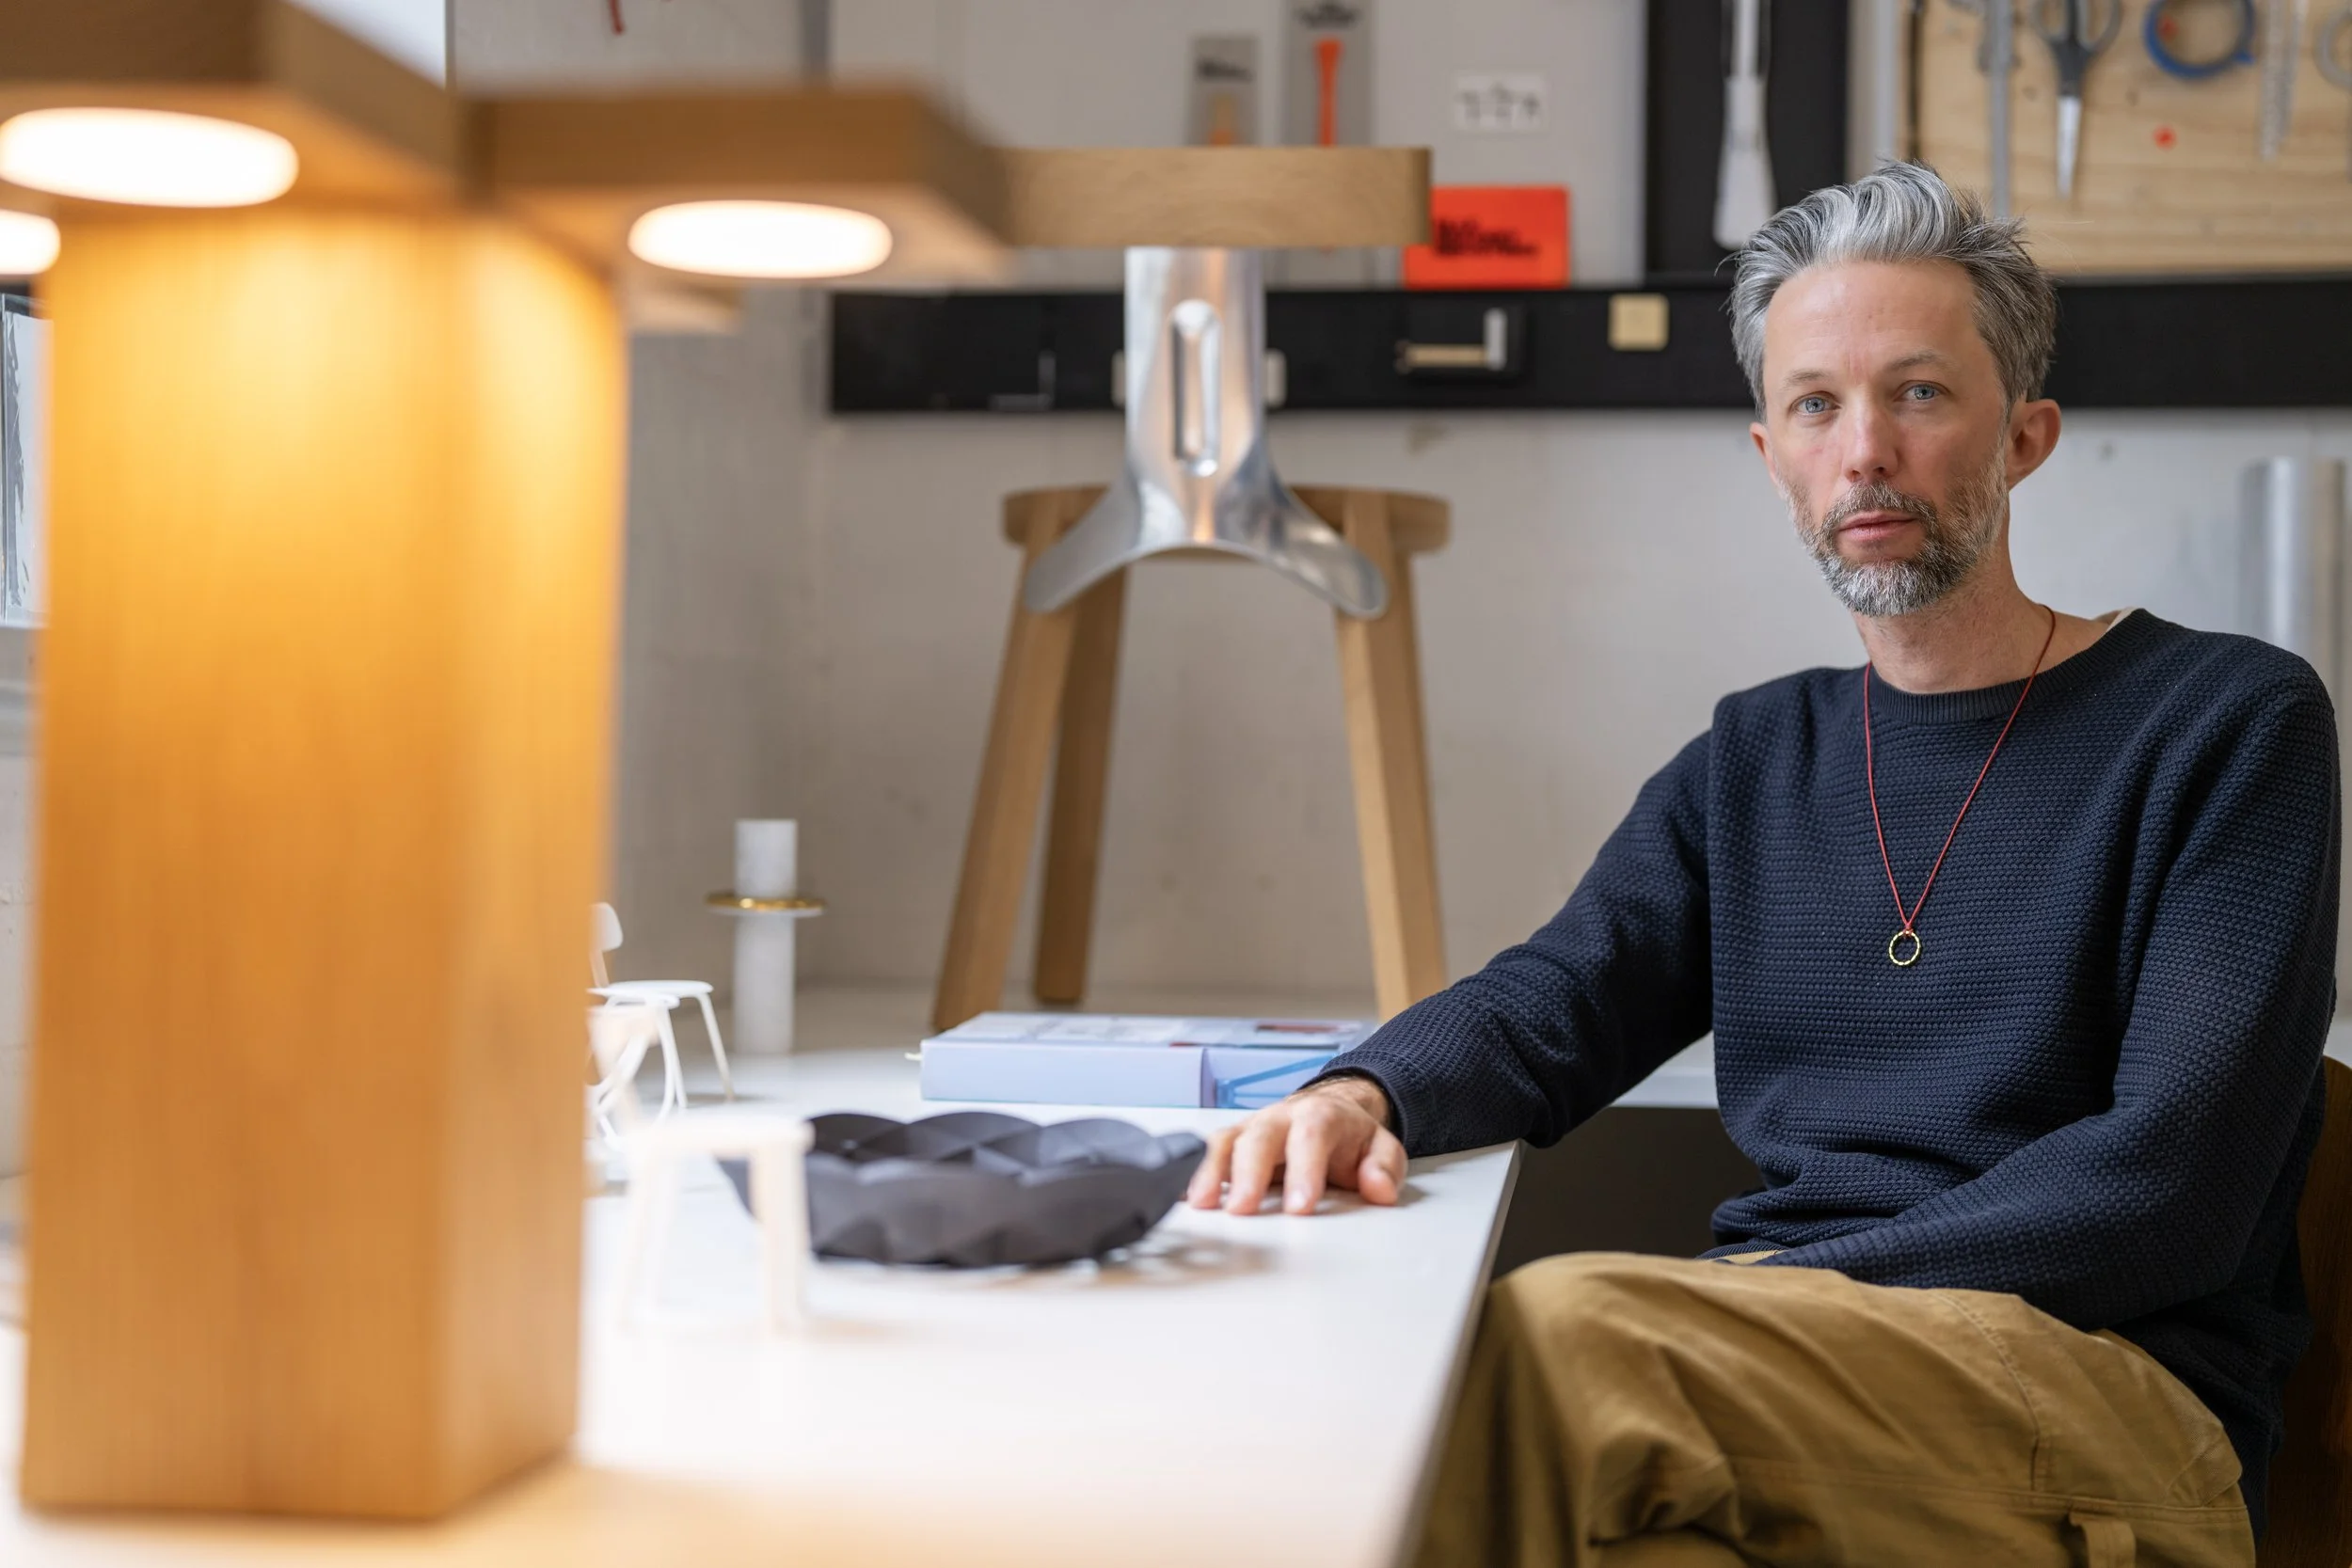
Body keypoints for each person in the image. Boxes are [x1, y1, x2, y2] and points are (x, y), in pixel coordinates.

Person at [1184, 162, 2336, 1566]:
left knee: (1565, 1338)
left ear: (2025, 434)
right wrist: (1363, 1089)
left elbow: (2169, 1186)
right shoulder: (1756, 758)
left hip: (2114, 1403)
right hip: (1787, 1375)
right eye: (1816, 404)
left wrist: (1783, 1286)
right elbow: (1558, 998)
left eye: (1918, 393)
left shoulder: (2228, 722)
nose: (1865, 450)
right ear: (1770, 457)